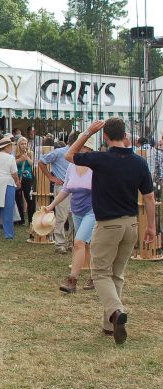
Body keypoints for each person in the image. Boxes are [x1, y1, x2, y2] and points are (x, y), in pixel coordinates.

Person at [66, 119, 154, 344]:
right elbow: (148, 197)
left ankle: (116, 311)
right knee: (117, 274)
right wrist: (151, 226)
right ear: (125, 135)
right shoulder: (139, 163)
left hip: (107, 225)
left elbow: (70, 155)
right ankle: (109, 326)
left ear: (104, 137)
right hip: (131, 224)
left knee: (100, 273)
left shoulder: (100, 159)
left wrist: (87, 132)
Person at [46, 136, 97, 294]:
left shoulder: (96, 167)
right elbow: (66, 189)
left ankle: (72, 280)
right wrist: (51, 206)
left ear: (90, 150)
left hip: (92, 210)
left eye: (84, 147)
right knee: (86, 244)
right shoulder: (71, 166)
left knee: (78, 242)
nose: (81, 150)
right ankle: (95, 277)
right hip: (77, 210)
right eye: (79, 147)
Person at [39, 131, 78, 253]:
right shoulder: (59, 152)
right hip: (62, 187)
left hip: (76, 188)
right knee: (62, 217)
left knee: (74, 217)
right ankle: (60, 244)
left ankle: (72, 243)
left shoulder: (78, 154)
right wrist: (51, 177)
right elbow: (41, 161)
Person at [14, 136, 35, 225]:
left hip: (28, 178)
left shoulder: (30, 153)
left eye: (25, 144)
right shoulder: (15, 154)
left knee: (30, 199)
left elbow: (32, 164)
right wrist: (20, 159)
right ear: (18, 145)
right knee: (18, 199)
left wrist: (27, 158)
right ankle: (20, 219)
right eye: (22, 144)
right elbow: (12, 163)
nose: (24, 145)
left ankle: (31, 220)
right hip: (17, 177)